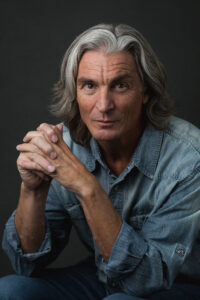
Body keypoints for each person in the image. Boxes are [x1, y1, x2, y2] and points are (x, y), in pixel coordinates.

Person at [1, 23, 200, 300]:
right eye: (89, 86)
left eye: (120, 85)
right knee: (11, 290)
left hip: (177, 284)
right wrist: (33, 189)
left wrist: (87, 187)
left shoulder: (189, 160)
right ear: (75, 91)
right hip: (103, 278)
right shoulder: (66, 148)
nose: (104, 105)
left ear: (145, 92)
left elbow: (148, 280)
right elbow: (28, 263)